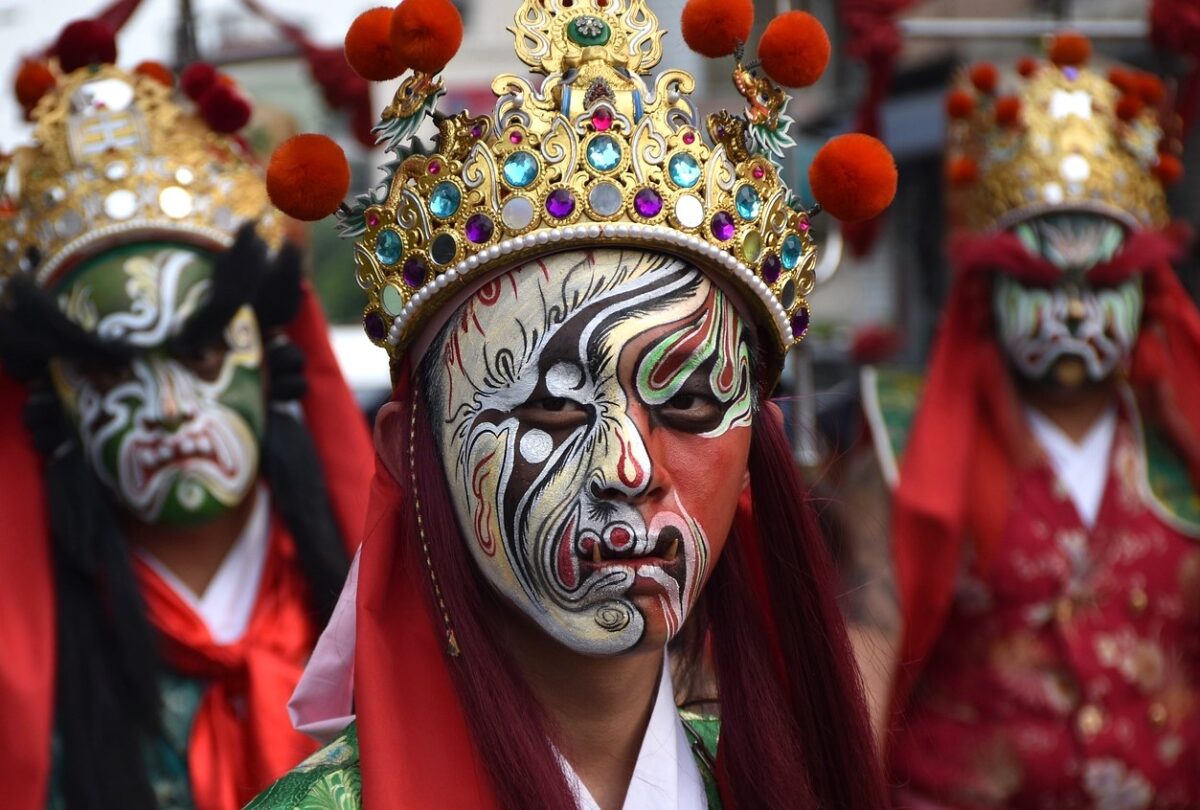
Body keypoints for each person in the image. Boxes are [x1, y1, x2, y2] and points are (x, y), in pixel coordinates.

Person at [249, 0, 899, 807]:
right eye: (551, 411)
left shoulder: (789, 786)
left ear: (749, 456)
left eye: (689, 402)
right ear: (408, 451)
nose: (629, 468)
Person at [0, 19, 373, 810]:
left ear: (266, 350)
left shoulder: (395, 597)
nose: (168, 411)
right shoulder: (24, 662)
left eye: (200, 356)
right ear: (56, 395)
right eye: (110, 369)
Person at [840, 33, 1200, 807]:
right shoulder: (903, 446)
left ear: (1147, 294)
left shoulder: (1184, 443)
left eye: (1100, 280)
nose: (1074, 310)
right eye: (1045, 280)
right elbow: (867, 651)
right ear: (990, 294)